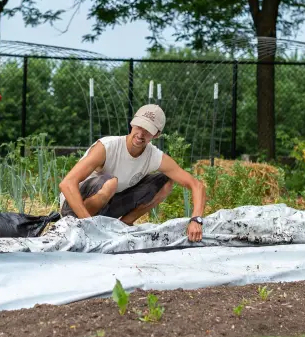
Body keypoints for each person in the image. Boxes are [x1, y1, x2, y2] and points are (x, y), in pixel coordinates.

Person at [58, 104, 207, 242]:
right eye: (139, 126)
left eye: (148, 130)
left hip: (107, 207)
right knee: (111, 183)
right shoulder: (107, 147)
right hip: (74, 208)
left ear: (157, 134)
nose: (141, 134)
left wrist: (196, 220)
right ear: (132, 123)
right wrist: (89, 227)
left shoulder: (153, 156)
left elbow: (196, 185)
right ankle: (87, 226)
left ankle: (123, 225)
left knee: (166, 181)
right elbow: (67, 183)